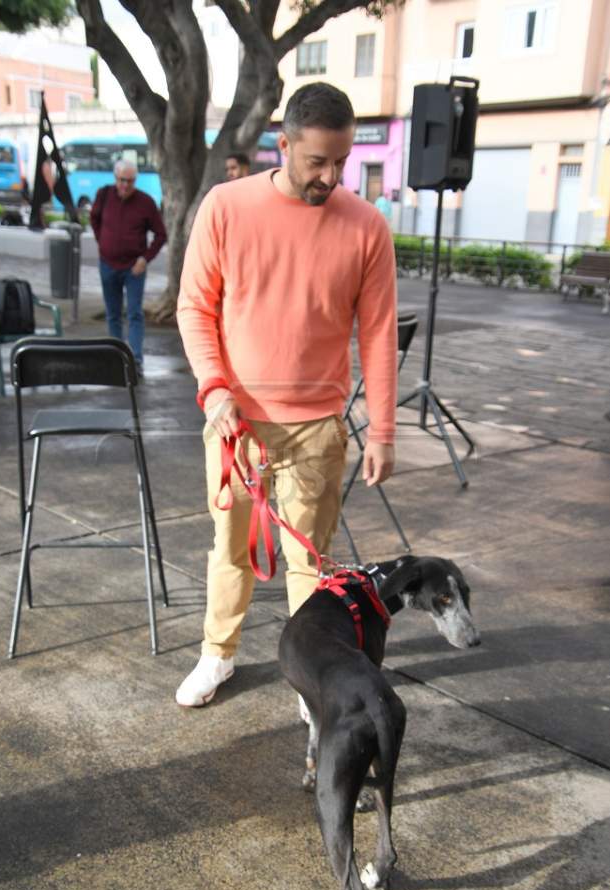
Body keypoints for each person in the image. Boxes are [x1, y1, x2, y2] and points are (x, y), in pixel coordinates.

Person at [175, 82, 397, 707]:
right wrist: (214, 389)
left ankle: (310, 676)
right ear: (285, 144)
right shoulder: (226, 206)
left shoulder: (367, 226)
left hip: (318, 425)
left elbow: (379, 333)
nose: (331, 176)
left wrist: (383, 430)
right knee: (230, 548)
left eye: (342, 162)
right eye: (317, 161)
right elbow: (195, 307)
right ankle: (217, 655)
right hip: (236, 422)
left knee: (310, 562)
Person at [90, 160, 167, 375]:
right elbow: (94, 219)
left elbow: (161, 234)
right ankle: (116, 358)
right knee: (113, 314)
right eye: (122, 180)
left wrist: (145, 258)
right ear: (116, 178)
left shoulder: (145, 202)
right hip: (108, 264)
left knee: (134, 314)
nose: (125, 185)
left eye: (130, 181)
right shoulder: (104, 195)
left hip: (134, 267)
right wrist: (103, 243)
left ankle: (135, 360)